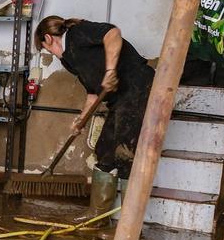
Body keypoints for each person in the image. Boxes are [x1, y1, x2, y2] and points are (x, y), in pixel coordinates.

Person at [34, 16, 154, 211]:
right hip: (119, 100)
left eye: (45, 48)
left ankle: (127, 224)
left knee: (125, 152)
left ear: (48, 38)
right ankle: (97, 215)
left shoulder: (77, 33)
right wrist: (81, 120)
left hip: (138, 87)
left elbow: (112, 33)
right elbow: (92, 93)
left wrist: (110, 71)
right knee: (104, 151)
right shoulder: (69, 60)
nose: (49, 52)